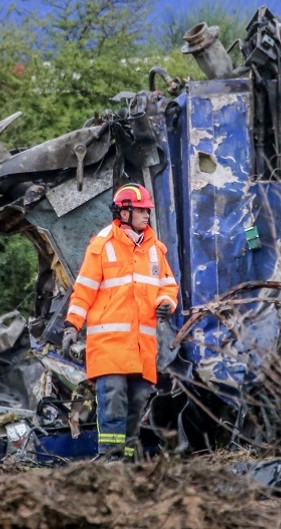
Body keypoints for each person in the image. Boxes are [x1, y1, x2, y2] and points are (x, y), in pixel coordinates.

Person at [62, 183, 178, 460]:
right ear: (124, 213)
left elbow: (168, 286)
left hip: (142, 347)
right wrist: (71, 326)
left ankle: (126, 460)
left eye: (147, 210)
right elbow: (84, 291)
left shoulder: (154, 250)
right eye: (141, 210)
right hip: (110, 346)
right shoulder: (102, 246)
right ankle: (110, 458)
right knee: (113, 400)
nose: (147, 215)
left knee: (137, 403)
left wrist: (167, 304)